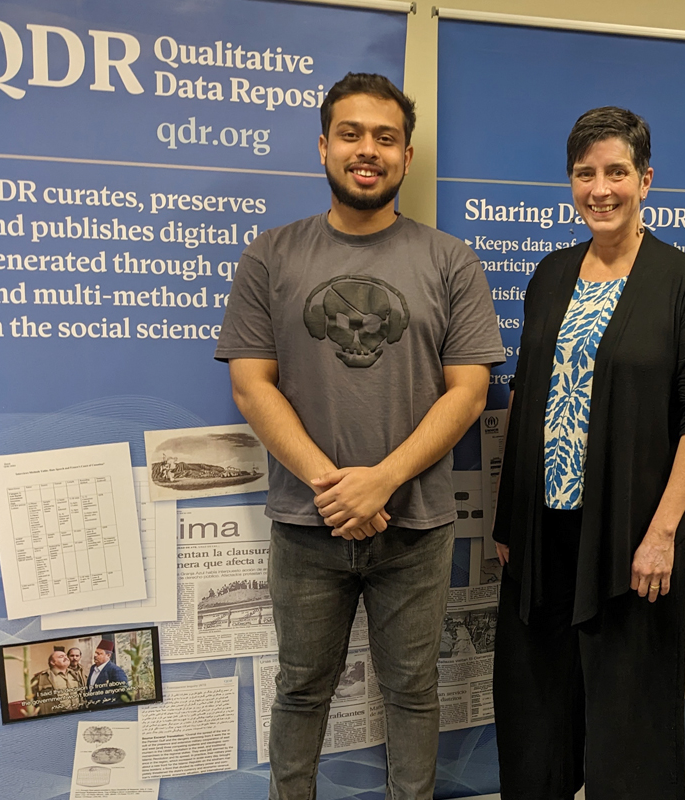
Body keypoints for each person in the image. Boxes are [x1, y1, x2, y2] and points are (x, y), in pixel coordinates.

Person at [215, 72, 504, 800]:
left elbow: (467, 390)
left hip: (416, 527)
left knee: (413, 689)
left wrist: (383, 480)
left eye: (385, 137)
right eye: (351, 134)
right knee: (302, 690)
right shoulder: (271, 257)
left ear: (406, 157)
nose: (367, 150)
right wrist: (336, 486)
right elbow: (253, 384)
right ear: (323, 147)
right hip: (305, 525)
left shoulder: (449, 261)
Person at [492, 106, 685, 800]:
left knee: (627, 718)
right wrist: (510, 520)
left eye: (617, 172)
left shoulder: (684, 285)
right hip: (544, 536)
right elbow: (527, 395)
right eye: (585, 173)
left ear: (646, 180)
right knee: (538, 710)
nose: (601, 188)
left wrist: (663, 533)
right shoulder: (551, 274)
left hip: (630, 540)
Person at [28, 647, 84, 716]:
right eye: (61, 657)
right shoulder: (41, 678)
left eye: (66, 656)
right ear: (52, 662)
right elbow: (31, 698)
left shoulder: (75, 674)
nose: (65, 658)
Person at [86, 639, 130, 706]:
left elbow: (125, 694)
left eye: (99, 653)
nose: (95, 655)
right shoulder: (93, 668)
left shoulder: (115, 671)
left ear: (108, 655)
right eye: (95, 652)